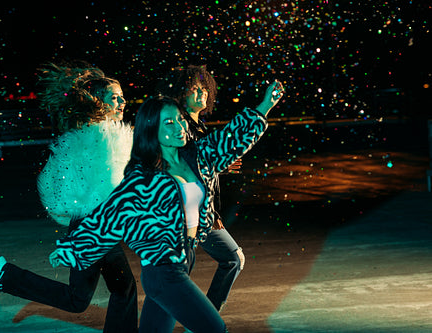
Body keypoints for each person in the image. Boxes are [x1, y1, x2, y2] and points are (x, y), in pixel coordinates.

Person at [49, 79, 285, 333]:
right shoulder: (144, 178)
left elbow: (231, 139)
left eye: (179, 119)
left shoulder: (197, 156)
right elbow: (110, 217)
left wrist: (265, 105)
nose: (180, 127)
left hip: (185, 259)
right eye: (168, 123)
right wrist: (72, 249)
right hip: (163, 270)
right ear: (152, 131)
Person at [0, 62, 138, 333]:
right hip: (94, 227)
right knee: (85, 298)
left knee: (121, 290)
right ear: (98, 102)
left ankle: (9, 277)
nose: (123, 101)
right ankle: (8, 276)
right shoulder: (98, 137)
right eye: (115, 97)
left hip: (94, 224)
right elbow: (108, 190)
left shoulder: (98, 133)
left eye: (123, 96)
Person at [156, 65, 246, 312]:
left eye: (204, 88)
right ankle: (205, 319)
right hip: (183, 216)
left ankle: (203, 318)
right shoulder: (179, 127)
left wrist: (219, 166)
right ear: (180, 94)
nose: (202, 94)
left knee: (181, 275)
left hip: (196, 215)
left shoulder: (197, 128)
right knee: (229, 259)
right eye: (194, 89)